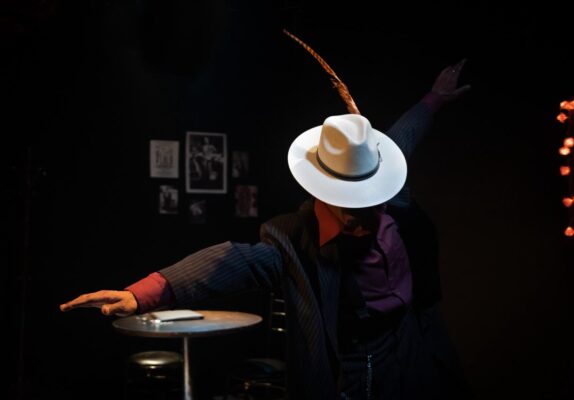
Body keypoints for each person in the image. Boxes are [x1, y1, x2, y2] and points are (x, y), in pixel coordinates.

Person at [61, 57, 471, 399]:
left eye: (364, 198)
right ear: (323, 190)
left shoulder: (395, 200)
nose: (356, 213)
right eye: (345, 200)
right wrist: (142, 294)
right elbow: (229, 261)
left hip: (412, 355)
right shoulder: (290, 240)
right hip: (348, 375)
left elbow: (403, 137)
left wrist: (435, 97)